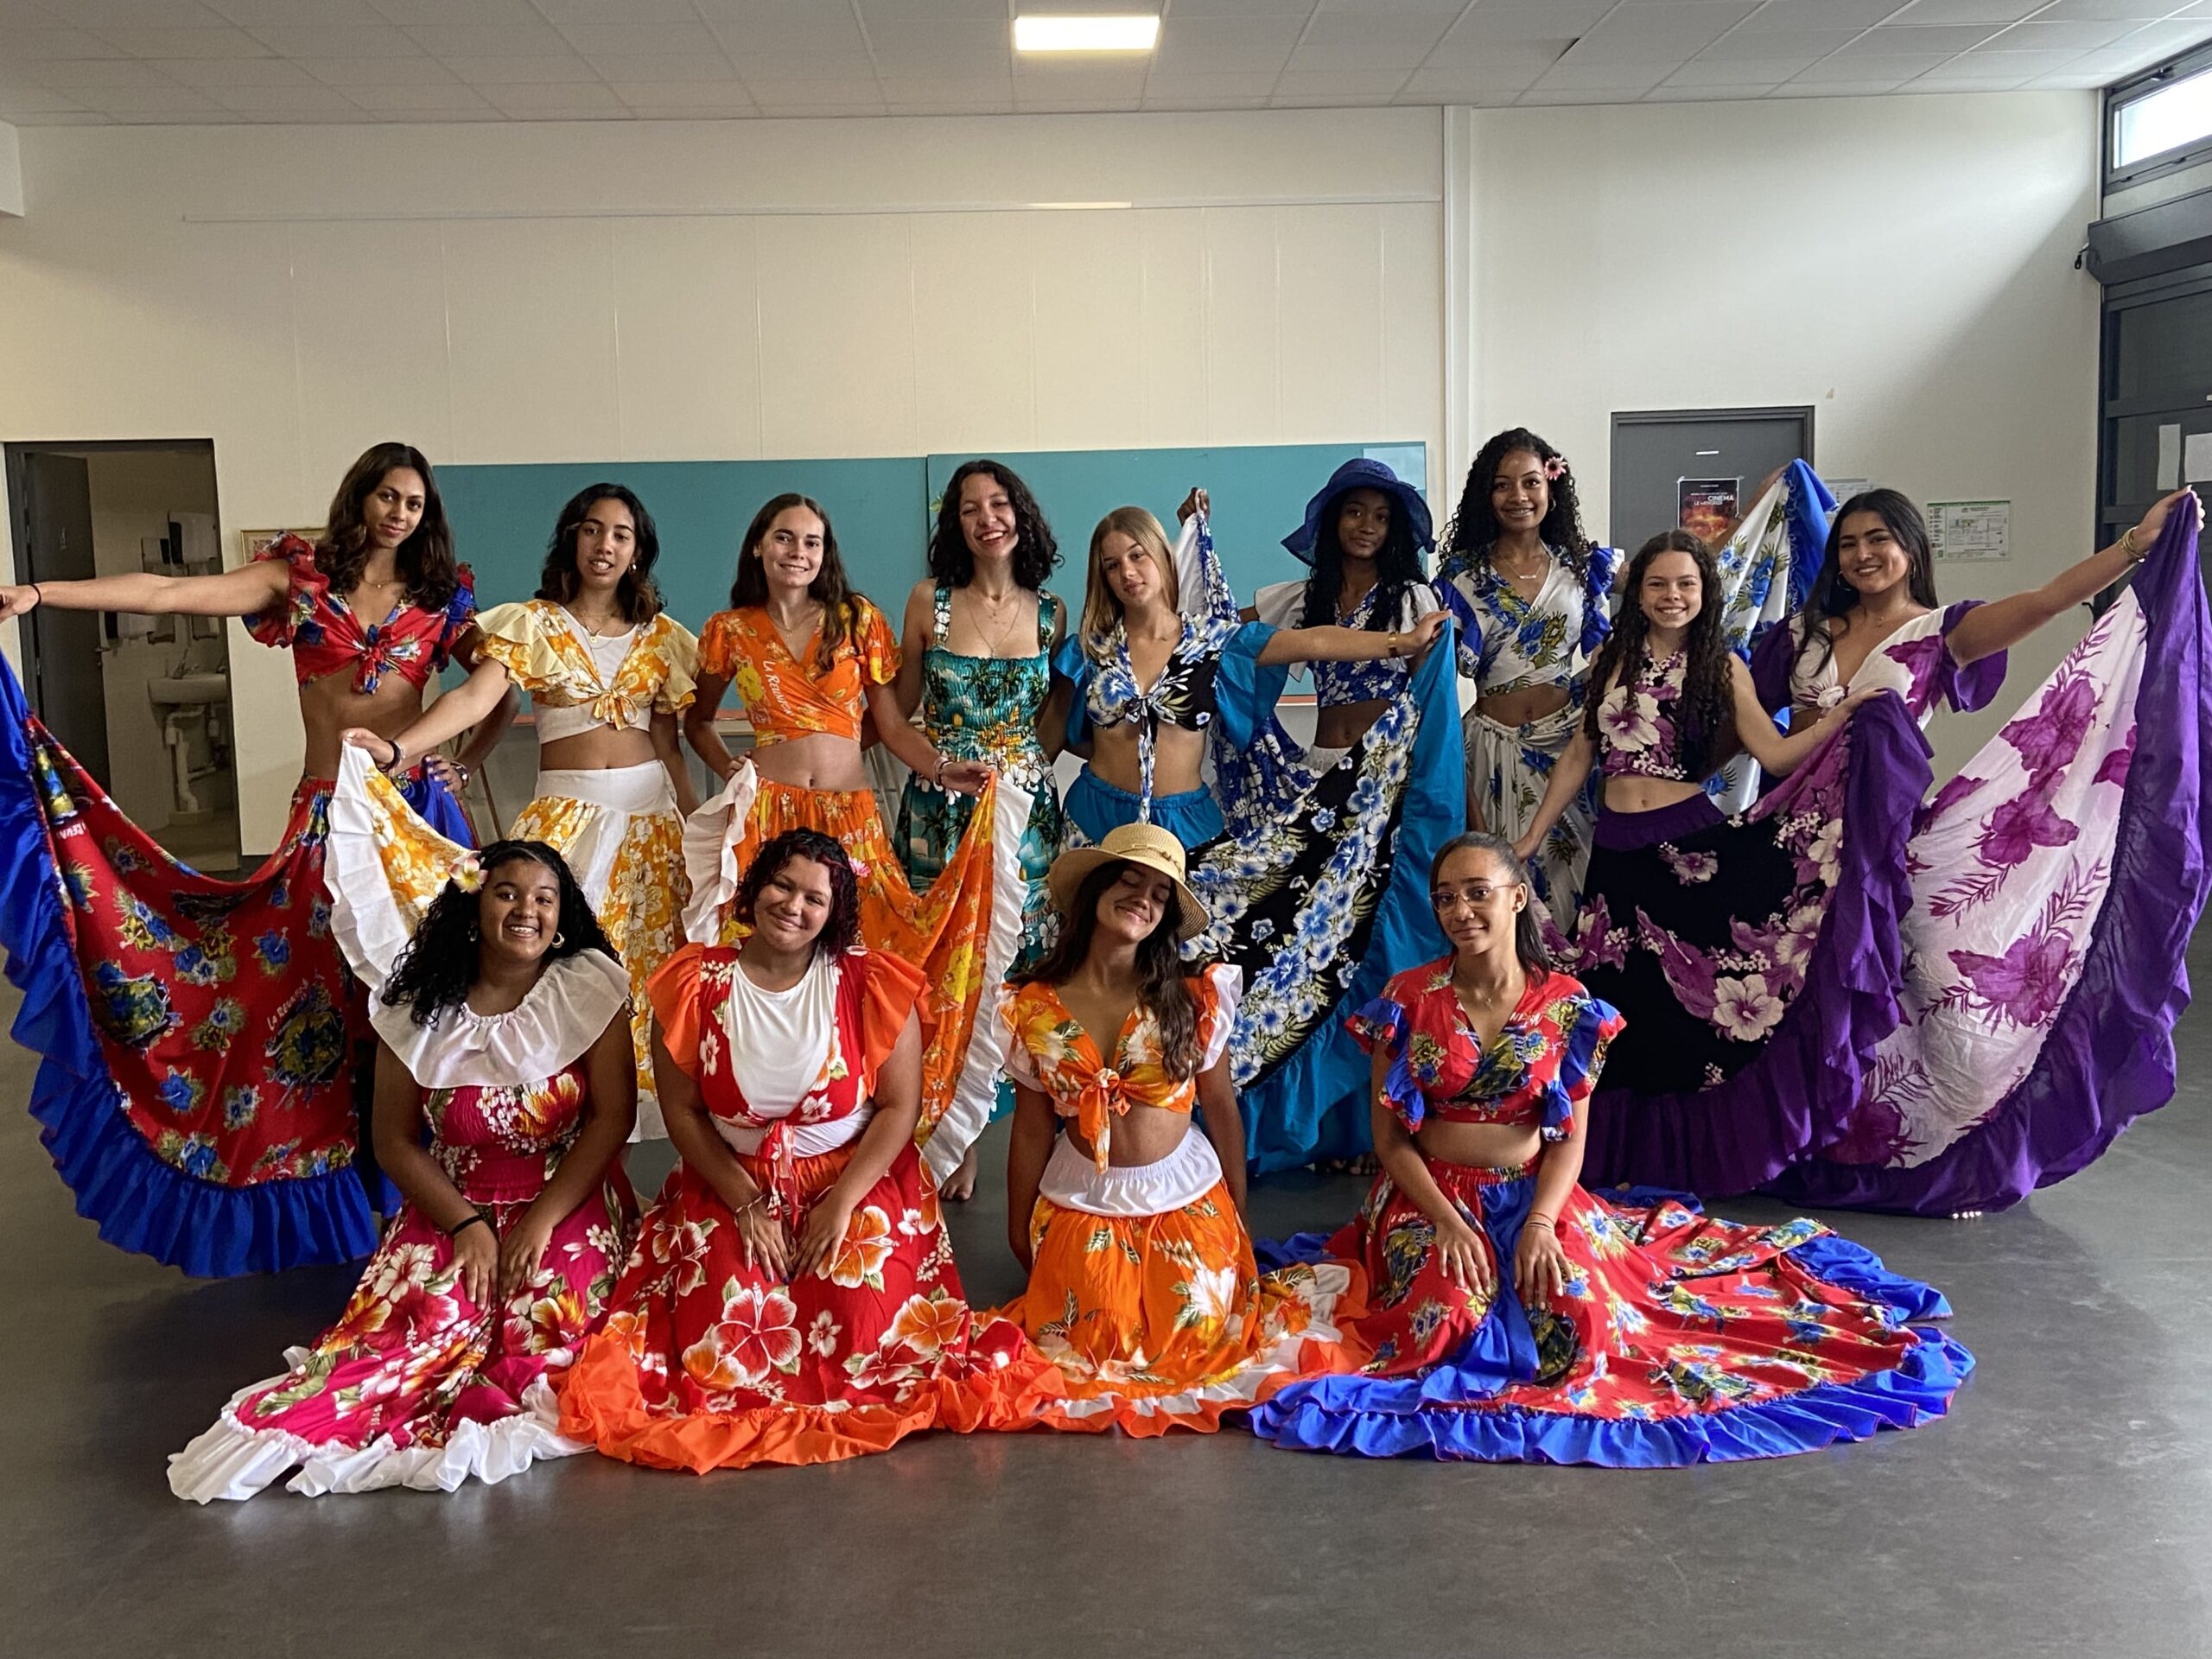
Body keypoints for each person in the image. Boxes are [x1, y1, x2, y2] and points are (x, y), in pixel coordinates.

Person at [1247, 833, 1972, 1465]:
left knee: (1580, 1314)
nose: (1461, 910)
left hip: (1535, 1193)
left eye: (1477, 892)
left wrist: (1539, 1222)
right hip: (1428, 1198)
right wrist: (1445, 1219)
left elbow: (1569, 1138)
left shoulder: (1568, 1006)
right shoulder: (1407, 999)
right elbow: (1390, 1140)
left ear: (1517, 897)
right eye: (1446, 898)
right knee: (1447, 1318)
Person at [0, 442, 510, 1274]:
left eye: (414, 503)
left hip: (416, 820)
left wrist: (426, 751)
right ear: (361, 497)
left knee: (429, 998)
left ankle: (440, 1184)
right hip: (329, 818)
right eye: (388, 496)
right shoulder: (299, 581)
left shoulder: (439, 595)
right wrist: (41, 594)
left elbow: (495, 681)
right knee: (319, 997)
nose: (399, 513)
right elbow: (167, 593)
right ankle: (350, 1190)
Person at [1719, 486, 2207, 1215]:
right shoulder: (1803, 634)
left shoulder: (1941, 632)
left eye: (1878, 539)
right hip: (1790, 840)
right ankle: (1784, 1137)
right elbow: (1738, 724)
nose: (1862, 555)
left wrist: (2135, 544)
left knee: (1902, 991)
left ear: (1910, 548)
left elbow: (2047, 600)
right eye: (1848, 543)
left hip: (1883, 842)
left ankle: (1901, 1141)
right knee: (1781, 996)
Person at [556, 830, 1058, 1470]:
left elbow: (899, 1108)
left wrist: (842, 1205)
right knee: (725, 1335)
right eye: (782, 885)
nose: (793, 906)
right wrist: (745, 1204)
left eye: (814, 898)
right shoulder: (694, 983)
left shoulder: (869, 982)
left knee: (865, 1320)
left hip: (855, 1178)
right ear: (755, 886)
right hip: (732, 1179)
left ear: (834, 910)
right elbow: (683, 1110)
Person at [168, 841, 639, 1498]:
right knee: (424, 1332)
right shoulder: (417, 1007)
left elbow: (612, 1119)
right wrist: (467, 1226)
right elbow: (394, 1141)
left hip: (566, 1198)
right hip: (451, 1204)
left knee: (549, 1331)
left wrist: (540, 1222)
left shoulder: (588, 987)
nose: (526, 911)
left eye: (544, 898)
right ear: (474, 905)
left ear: (562, 916)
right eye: (507, 893)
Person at [1056, 497, 1464, 1172]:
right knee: (1098, 974)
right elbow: (1053, 735)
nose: (1127, 572)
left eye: (1138, 555)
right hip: (1099, 827)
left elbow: (1312, 642)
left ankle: (1184, 1127)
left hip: (1187, 834)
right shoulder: (1086, 652)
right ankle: (1097, 1126)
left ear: (1164, 561)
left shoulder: (1212, 642)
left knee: (1187, 981)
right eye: (1110, 564)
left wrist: (1402, 643)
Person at [680, 493, 1028, 1186]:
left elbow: (890, 725)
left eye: (812, 542)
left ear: (825, 553)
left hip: (851, 818)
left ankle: (899, 1130)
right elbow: (698, 721)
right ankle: (765, 1137)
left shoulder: (858, 620)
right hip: (769, 819)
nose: (798, 553)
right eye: (785, 538)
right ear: (759, 546)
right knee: (761, 966)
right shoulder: (729, 629)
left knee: (877, 957)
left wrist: (940, 768)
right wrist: (730, 769)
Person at [342, 482, 698, 1139]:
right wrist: (398, 749)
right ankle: (544, 1137)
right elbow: (475, 700)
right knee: (548, 973)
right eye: (592, 529)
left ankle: (619, 1158)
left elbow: (670, 747)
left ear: (638, 552)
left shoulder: (666, 640)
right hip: (566, 826)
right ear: (571, 538)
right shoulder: (532, 625)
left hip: (652, 831)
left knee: (647, 985)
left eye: (621, 535)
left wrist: (701, 833)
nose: (605, 545)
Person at [993, 823, 1365, 1433]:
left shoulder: (1193, 997)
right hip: (1083, 1200)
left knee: (1196, 1335)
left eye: (1159, 894)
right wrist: (1018, 1228)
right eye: (1129, 880)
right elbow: (1032, 1128)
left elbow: (1219, 1106)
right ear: (1095, 889)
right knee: (1090, 1345)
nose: (1143, 899)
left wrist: (1237, 1214)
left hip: (1186, 1201)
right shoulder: (1030, 1004)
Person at [1514, 531, 1891, 1122]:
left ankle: (1701, 1140)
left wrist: (1837, 717)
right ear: (1639, 593)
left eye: (1685, 584)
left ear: (1705, 592)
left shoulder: (1722, 665)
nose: (1672, 596)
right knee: (1619, 1003)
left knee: (1690, 1009)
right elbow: (1580, 754)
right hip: (1615, 849)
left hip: (1687, 848)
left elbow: (1775, 756)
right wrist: (1533, 836)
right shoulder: (1610, 658)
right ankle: (1615, 1144)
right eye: (1658, 583)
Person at [891, 461, 1066, 1199]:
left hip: (1024, 816)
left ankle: (983, 1131)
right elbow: (894, 711)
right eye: (969, 508)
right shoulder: (927, 603)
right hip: (941, 811)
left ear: (1021, 514)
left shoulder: (1052, 613)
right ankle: (940, 1132)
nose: (987, 518)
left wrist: (1021, 771)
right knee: (938, 972)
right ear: (954, 525)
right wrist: (936, 766)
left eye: (999, 504)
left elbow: (1053, 717)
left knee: (1016, 971)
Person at [1433, 429, 1619, 925]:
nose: (1518, 496)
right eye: (1503, 485)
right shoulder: (1460, 577)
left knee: (1578, 890)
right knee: (1499, 891)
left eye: (1531, 482)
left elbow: (1663, 588)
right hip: (1490, 750)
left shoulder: (1581, 567)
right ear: (1486, 495)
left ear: (1551, 486)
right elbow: (1438, 680)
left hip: (1569, 750)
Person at [1245, 457, 1441, 772]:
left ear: (1393, 530)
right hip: (1322, 764)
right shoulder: (1305, 599)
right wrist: (1197, 539)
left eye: (1381, 517)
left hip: (1388, 767)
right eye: (1354, 512)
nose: (1367, 527)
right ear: (1334, 519)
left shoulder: (1411, 598)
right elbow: (1221, 627)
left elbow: (1431, 695)